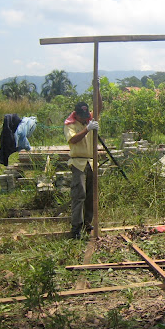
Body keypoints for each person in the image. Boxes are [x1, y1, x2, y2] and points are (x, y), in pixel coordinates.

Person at [64, 94, 102, 239]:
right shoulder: (70, 125)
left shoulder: (89, 120)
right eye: (82, 116)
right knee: (79, 195)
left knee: (91, 196)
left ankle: (88, 223)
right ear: (76, 115)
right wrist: (87, 130)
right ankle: (76, 227)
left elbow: (99, 107)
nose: (84, 118)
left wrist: (97, 90)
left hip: (91, 162)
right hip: (78, 163)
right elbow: (73, 139)